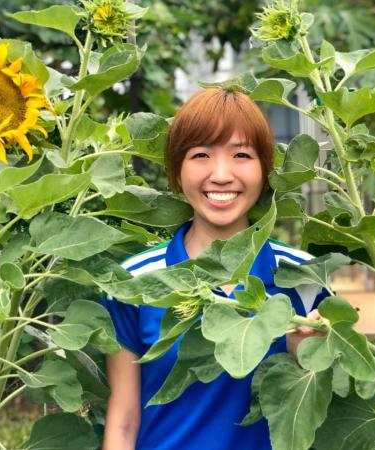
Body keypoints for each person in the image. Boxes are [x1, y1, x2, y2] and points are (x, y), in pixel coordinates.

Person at [101, 88, 329, 450]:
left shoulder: (304, 278)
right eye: (201, 155)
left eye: (241, 155)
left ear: (264, 170)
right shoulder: (135, 281)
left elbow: (323, 415)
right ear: (177, 171)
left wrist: (309, 360)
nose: (221, 175)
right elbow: (123, 422)